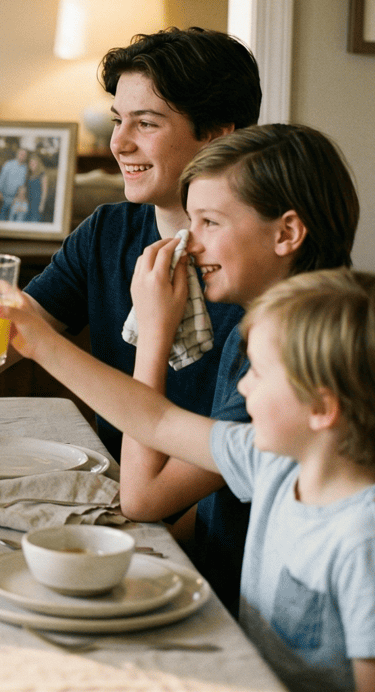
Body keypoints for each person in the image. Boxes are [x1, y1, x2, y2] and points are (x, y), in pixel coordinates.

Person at [0, 28, 261, 457]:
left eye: (147, 123)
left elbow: (245, 458)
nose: (119, 143)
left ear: (217, 134)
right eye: (118, 120)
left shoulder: (257, 263)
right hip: (124, 487)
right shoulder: (106, 232)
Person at [0, 269, 375, 692]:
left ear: (322, 408)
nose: (244, 386)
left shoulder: (363, 541)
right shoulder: (272, 461)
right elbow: (154, 420)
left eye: (261, 373)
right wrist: (41, 346)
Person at [121, 124, 358, 612]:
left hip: (241, 617)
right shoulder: (255, 327)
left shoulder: (297, 361)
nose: (189, 244)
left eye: (209, 222)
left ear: (286, 233)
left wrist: (154, 333)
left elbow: (143, 498)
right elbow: (226, 487)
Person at [0, 146, 28, 221]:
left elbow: (23, 183)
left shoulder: (25, 168)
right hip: (5, 195)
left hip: (16, 198)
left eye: (24, 155)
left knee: (12, 218)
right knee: (2, 215)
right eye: (21, 154)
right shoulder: (8, 164)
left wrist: (21, 196)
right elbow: (1, 178)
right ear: (17, 154)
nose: (23, 156)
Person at [22, 151, 49, 222]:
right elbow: (25, 189)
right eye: (30, 163)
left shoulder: (43, 175)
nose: (32, 165)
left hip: (37, 203)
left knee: (35, 221)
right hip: (28, 202)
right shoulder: (28, 175)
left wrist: (42, 204)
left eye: (34, 163)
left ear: (38, 164)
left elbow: (44, 191)